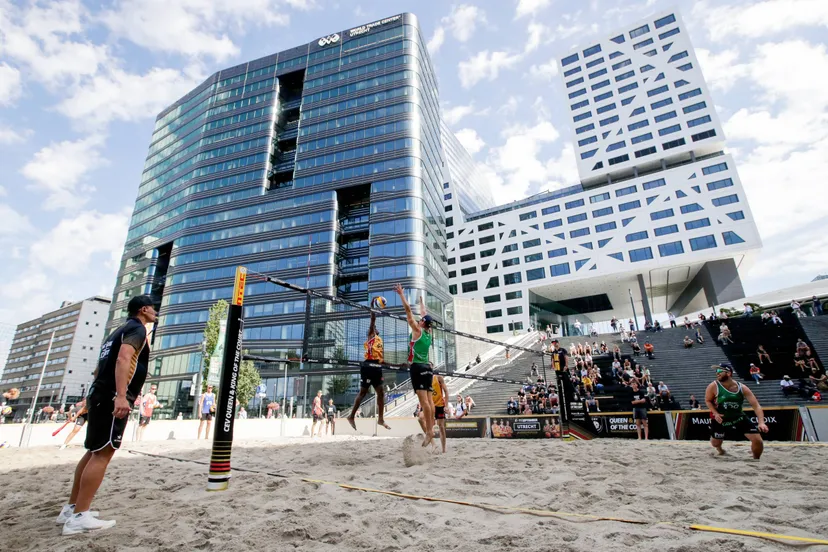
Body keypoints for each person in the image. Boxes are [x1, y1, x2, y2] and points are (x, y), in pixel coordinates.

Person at [58, 295, 156, 535]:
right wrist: (121, 395)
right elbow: (123, 358)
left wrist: (93, 395)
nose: (155, 313)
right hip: (112, 396)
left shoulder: (118, 331)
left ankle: (72, 508)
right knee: (103, 453)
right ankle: (80, 515)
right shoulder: (137, 329)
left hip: (101, 394)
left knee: (93, 451)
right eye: (153, 309)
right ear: (143, 309)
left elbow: (98, 368)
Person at [395, 283, 436, 447]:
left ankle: (429, 432)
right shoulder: (428, 333)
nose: (418, 321)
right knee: (429, 401)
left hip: (418, 367)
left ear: (422, 324)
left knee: (423, 401)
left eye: (420, 321)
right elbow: (425, 314)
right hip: (428, 368)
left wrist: (401, 295)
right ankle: (431, 430)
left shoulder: (417, 331)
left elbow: (408, 311)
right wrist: (421, 301)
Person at [705, 363, 769, 459]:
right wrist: (716, 413)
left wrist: (761, 422)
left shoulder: (742, 387)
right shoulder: (713, 386)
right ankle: (720, 449)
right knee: (715, 443)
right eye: (716, 371)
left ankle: (756, 460)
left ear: (729, 373)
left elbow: (756, 406)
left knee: (758, 440)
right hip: (720, 418)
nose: (717, 373)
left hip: (738, 416)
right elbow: (708, 401)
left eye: (719, 371)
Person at [348, 311, 390, 430]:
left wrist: (398, 365)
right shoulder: (371, 336)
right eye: (374, 328)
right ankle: (351, 417)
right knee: (363, 393)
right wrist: (373, 313)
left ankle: (381, 419)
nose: (376, 329)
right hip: (368, 366)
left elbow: (382, 360)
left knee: (381, 393)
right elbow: (372, 323)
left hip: (377, 367)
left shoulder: (380, 341)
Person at [428, 368, 449, 453]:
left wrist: (446, 406)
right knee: (425, 423)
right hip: (430, 405)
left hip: (439, 405)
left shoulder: (438, 378)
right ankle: (433, 444)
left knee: (441, 427)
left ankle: (443, 449)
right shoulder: (424, 378)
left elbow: (446, 391)